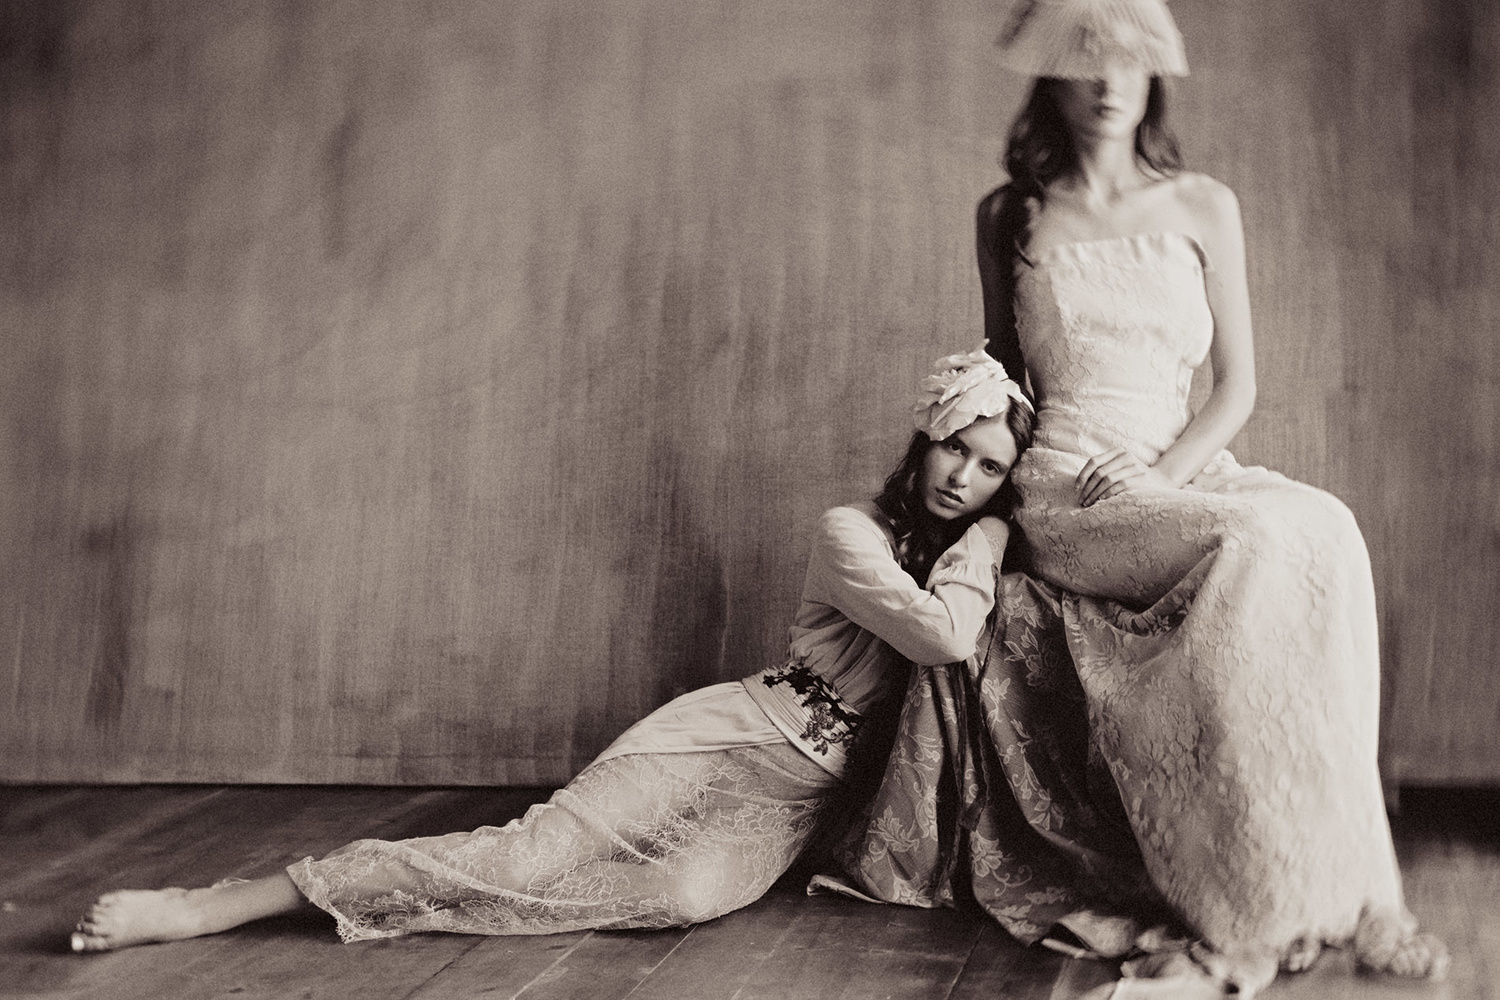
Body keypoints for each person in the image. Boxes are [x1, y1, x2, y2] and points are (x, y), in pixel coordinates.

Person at [828, 1, 1447, 995]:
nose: (1110, 81)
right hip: (1070, 492)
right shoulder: (1010, 215)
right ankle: (1244, 907)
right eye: (1086, 60)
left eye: (1130, 61)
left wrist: (1167, 474)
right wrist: (961, 506)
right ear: (1051, 78)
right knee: (1253, 548)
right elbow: (1004, 382)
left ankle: (1356, 892)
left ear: (1155, 74)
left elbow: (1238, 386)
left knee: (1326, 529)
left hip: (1181, 470)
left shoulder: (1205, 205)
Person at [69, 348, 1036, 952]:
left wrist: (983, 539)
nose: (963, 476)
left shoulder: (963, 552)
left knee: (683, 897)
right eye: (956, 446)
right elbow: (942, 633)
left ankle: (423, 899)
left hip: (799, 798)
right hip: (725, 733)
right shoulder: (849, 531)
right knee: (534, 855)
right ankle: (228, 904)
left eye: (991, 469)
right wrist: (990, 538)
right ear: (924, 439)